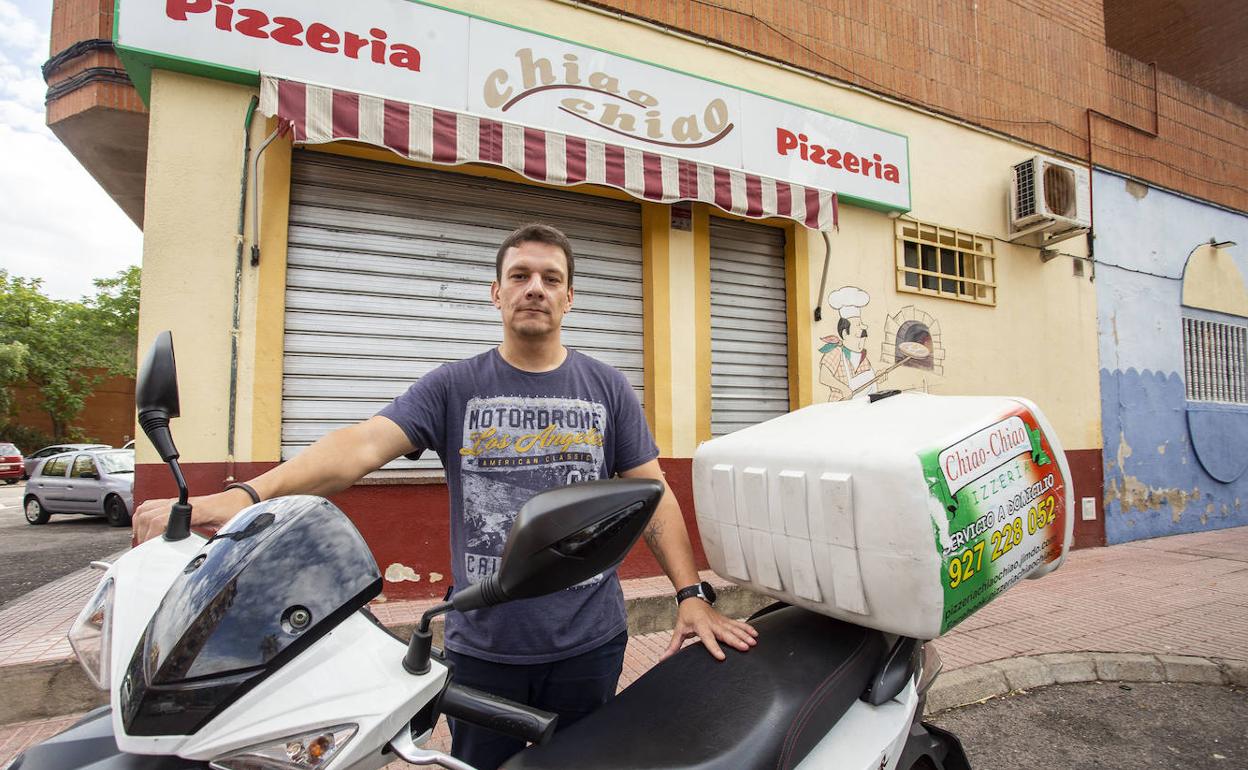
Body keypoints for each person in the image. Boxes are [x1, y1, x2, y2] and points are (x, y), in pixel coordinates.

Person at [133, 222, 757, 770]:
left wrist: (691, 595)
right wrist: (244, 496)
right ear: (496, 293)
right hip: (483, 647)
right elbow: (358, 448)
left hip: (589, 644)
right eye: (519, 275)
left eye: (549, 277)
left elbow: (654, 494)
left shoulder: (607, 387)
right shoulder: (452, 386)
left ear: (570, 297)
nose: (533, 287)